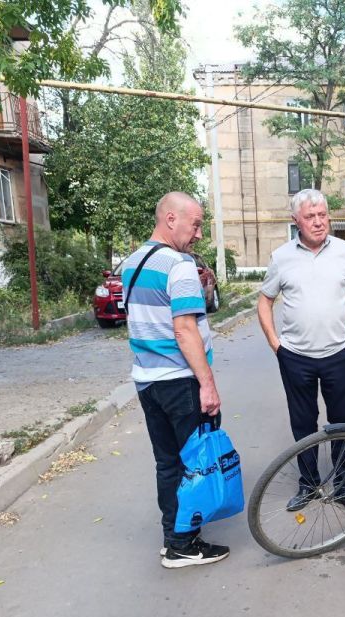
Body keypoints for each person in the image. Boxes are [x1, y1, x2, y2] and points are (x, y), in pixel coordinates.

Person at [123, 191, 229, 569]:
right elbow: (184, 330)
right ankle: (185, 543)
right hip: (179, 380)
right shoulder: (179, 264)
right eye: (195, 224)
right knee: (195, 464)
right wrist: (208, 384)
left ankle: (172, 537)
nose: (199, 234)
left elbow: (151, 316)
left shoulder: (133, 262)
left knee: (167, 463)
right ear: (171, 219)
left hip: (147, 381)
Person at [257, 188, 345, 515]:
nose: (318, 222)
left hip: (340, 354)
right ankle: (308, 484)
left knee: (343, 423)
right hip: (295, 357)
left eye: (322, 215)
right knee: (303, 423)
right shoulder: (281, 257)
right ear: (296, 221)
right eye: (310, 217)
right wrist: (275, 343)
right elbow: (264, 301)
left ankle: (344, 486)